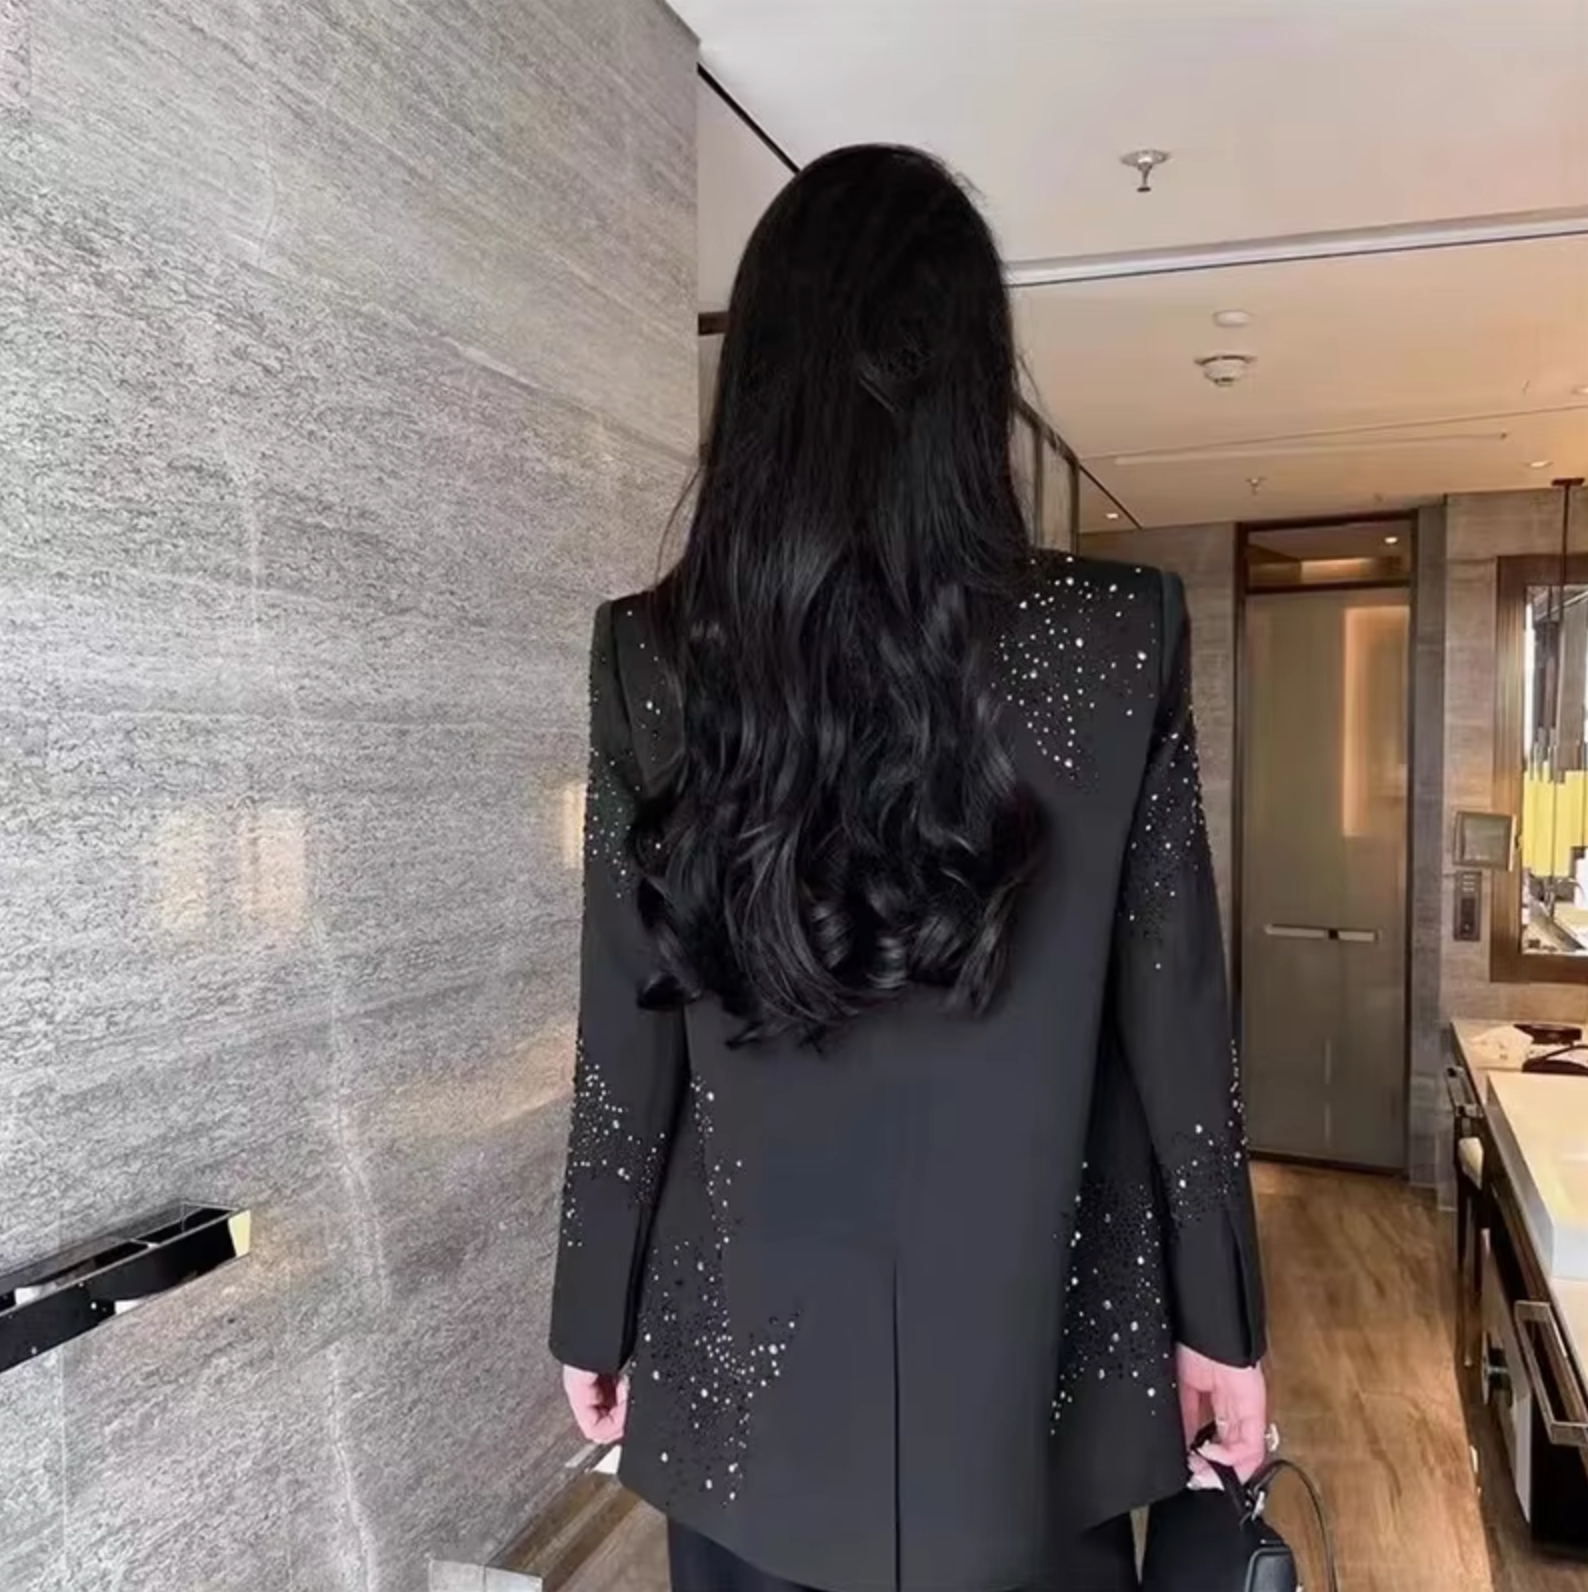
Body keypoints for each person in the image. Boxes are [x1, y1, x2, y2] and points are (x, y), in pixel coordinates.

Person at [550, 144, 1268, 1592]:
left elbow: (626, 1033)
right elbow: (1179, 1016)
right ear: (976, 381)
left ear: (760, 379)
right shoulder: (1117, 635)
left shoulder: (659, 654)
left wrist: (594, 1307)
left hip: (744, 1390)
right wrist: (1220, 1318)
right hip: (1032, 1388)